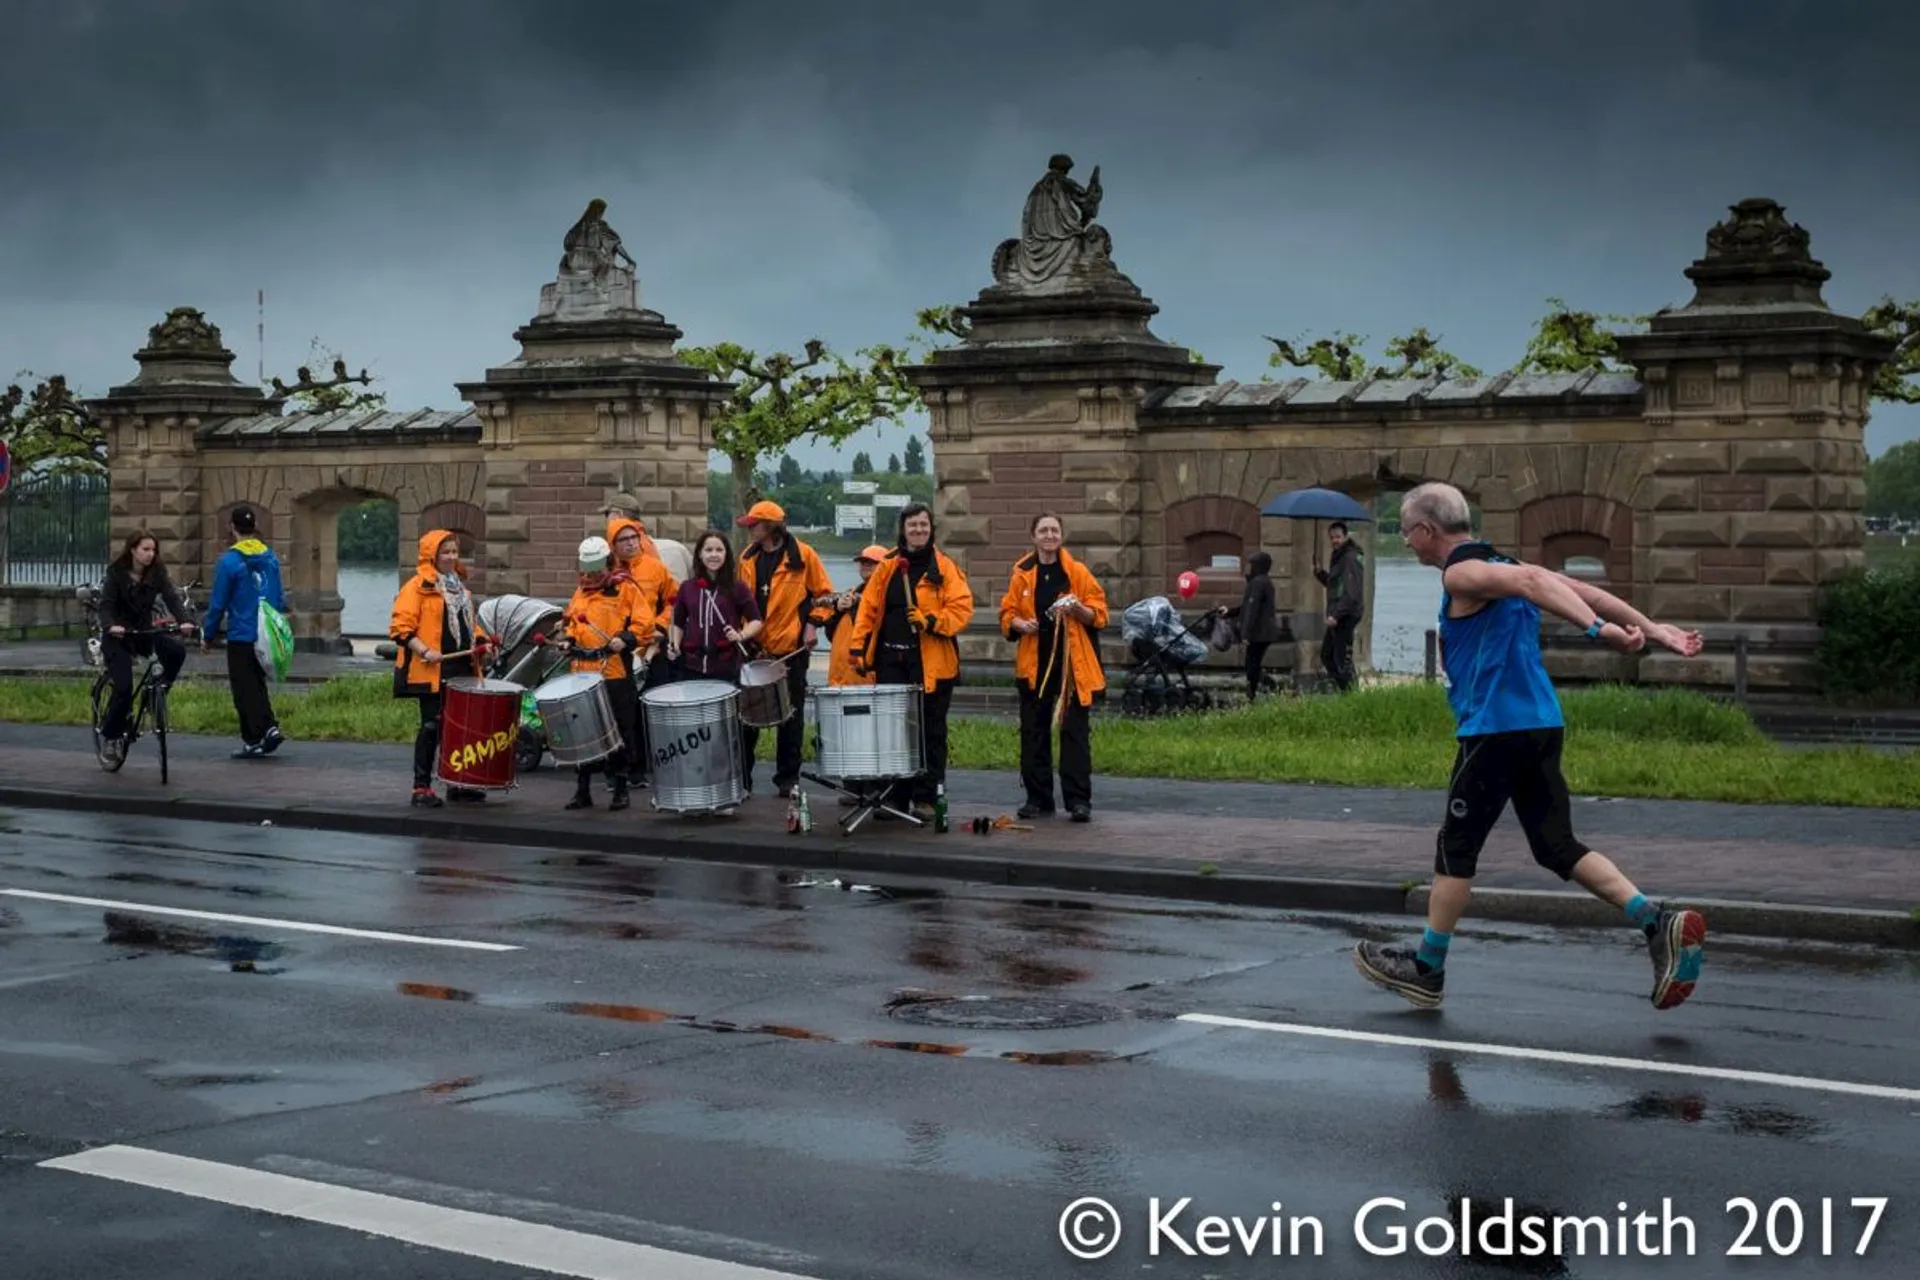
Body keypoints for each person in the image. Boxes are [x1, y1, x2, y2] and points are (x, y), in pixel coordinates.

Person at [1353, 482, 1709, 1012]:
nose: (1406, 543)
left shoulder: (1462, 572)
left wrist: (1601, 633)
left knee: (1456, 847)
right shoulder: (1502, 561)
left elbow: (1535, 583)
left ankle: (1427, 968)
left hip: (1495, 731)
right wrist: (1653, 629)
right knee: (1555, 845)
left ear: (1427, 530)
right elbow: (1562, 584)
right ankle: (1657, 923)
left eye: (1406, 533)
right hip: (1541, 724)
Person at [848, 503, 976, 818]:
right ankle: (894, 797)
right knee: (894, 731)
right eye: (912, 525)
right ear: (903, 530)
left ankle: (926, 797)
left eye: (923, 525)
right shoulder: (888, 566)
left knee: (930, 731)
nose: (918, 530)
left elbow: (962, 609)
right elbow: (868, 610)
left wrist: (930, 620)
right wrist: (858, 649)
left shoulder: (944, 567)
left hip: (932, 663)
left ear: (931, 529)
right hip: (892, 659)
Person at [1000, 513, 1108, 822]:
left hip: (1071, 668)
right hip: (1035, 665)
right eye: (1043, 530)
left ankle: (1078, 801)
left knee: (1074, 734)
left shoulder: (1077, 571)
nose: (1049, 535)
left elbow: (1100, 614)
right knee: (1033, 733)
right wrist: (1022, 623)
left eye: (1054, 530)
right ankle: (1038, 798)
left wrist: (1078, 609)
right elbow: (1007, 615)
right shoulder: (1022, 572)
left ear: (1061, 535)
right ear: (1033, 537)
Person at [736, 499, 834, 799]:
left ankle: (787, 778)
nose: (750, 529)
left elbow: (825, 595)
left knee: (790, 716)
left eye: (754, 524)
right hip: (754, 648)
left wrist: (812, 624)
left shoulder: (804, 556)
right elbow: (739, 599)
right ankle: (742, 778)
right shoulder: (746, 558)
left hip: (791, 649)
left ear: (770, 526)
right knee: (746, 717)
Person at [389, 530, 493, 808]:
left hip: (461, 666)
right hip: (431, 669)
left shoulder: (460, 589)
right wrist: (425, 650)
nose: (450, 557)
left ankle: (457, 783)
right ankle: (420, 788)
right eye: (445, 552)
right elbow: (400, 629)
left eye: (454, 552)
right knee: (431, 727)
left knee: (460, 728)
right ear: (431, 555)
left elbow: (470, 626)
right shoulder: (416, 587)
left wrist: (482, 641)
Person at [556, 535, 656, 811]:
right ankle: (582, 789)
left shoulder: (624, 588)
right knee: (582, 731)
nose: (592, 574)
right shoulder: (581, 591)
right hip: (581, 671)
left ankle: (621, 788)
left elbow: (644, 623)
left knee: (618, 730)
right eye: (588, 569)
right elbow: (573, 621)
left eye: (597, 568)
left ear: (608, 563)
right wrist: (568, 639)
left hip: (612, 669)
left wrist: (626, 637)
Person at [667, 530, 764, 786]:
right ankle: (702, 778)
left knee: (729, 728)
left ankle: (738, 780)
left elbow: (756, 621)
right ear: (699, 554)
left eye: (719, 550)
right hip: (693, 667)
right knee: (697, 728)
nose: (713, 555)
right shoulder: (688, 588)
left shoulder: (736, 588)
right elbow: (677, 621)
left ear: (726, 555)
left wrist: (741, 635)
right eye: (708, 550)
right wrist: (674, 643)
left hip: (726, 667)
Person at [97, 531, 197, 762]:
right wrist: (110, 625)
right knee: (123, 688)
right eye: (145, 549)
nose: (151, 554)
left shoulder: (157, 573)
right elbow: (106, 606)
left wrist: (184, 621)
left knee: (175, 650)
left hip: (143, 632)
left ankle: (158, 691)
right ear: (132, 550)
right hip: (118, 636)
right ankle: (111, 737)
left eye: (153, 550)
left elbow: (171, 598)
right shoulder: (116, 574)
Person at [199, 505, 287, 759]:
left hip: (241, 633)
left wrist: (209, 634)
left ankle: (266, 729)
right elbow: (278, 597)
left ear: (232, 528)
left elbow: (218, 602)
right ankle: (254, 739)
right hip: (267, 631)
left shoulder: (229, 561)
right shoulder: (270, 557)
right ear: (253, 527)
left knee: (243, 688)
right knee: (256, 684)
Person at [608, 514, 678, 788]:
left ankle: (654, 763)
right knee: (624, 714)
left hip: (652, 648)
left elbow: (673, 600)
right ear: (613, 545)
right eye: (623, 540)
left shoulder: (655, 568)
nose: (630, 544)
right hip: (621, 652)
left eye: (633, 538)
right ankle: (626, 770)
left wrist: (661, 626)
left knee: (654, 707)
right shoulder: (608, 572)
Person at [825, 545, 888, 688]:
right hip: (839, 678)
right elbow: (831, 635)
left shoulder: (886, 597)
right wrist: (838, 610)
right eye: (863, 562)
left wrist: (858, 605)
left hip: (864, 679)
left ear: (884, 567)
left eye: (871, 563)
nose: (865, 565)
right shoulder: (850, 594)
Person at [1314, 522, 1364, 692]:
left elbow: (1352, 592)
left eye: (1338, 537)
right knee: (1328, 655)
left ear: (1346, 536)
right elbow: (1335, 586)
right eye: (1332, 537)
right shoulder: (1339, 556)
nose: (1334, 540)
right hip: (1339, 614)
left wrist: (1336, 615)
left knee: (1340, 659)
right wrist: (1320, 573)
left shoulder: (1350, 557)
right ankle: (1347, 691)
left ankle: (1350, 694)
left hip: (1346, 615)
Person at [1225, 551, 1279, 701]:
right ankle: (1255, 691)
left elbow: (1251, 609)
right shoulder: (1262, 581)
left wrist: (1245, 633)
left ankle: (1257, 691)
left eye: (1251, 565)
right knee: (1252, 663)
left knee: (1251, 665)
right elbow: (1246, 607)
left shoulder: (1258, 583)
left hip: (1258, 633)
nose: (1248, 569)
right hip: (1263, 632)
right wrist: (1229, 611)